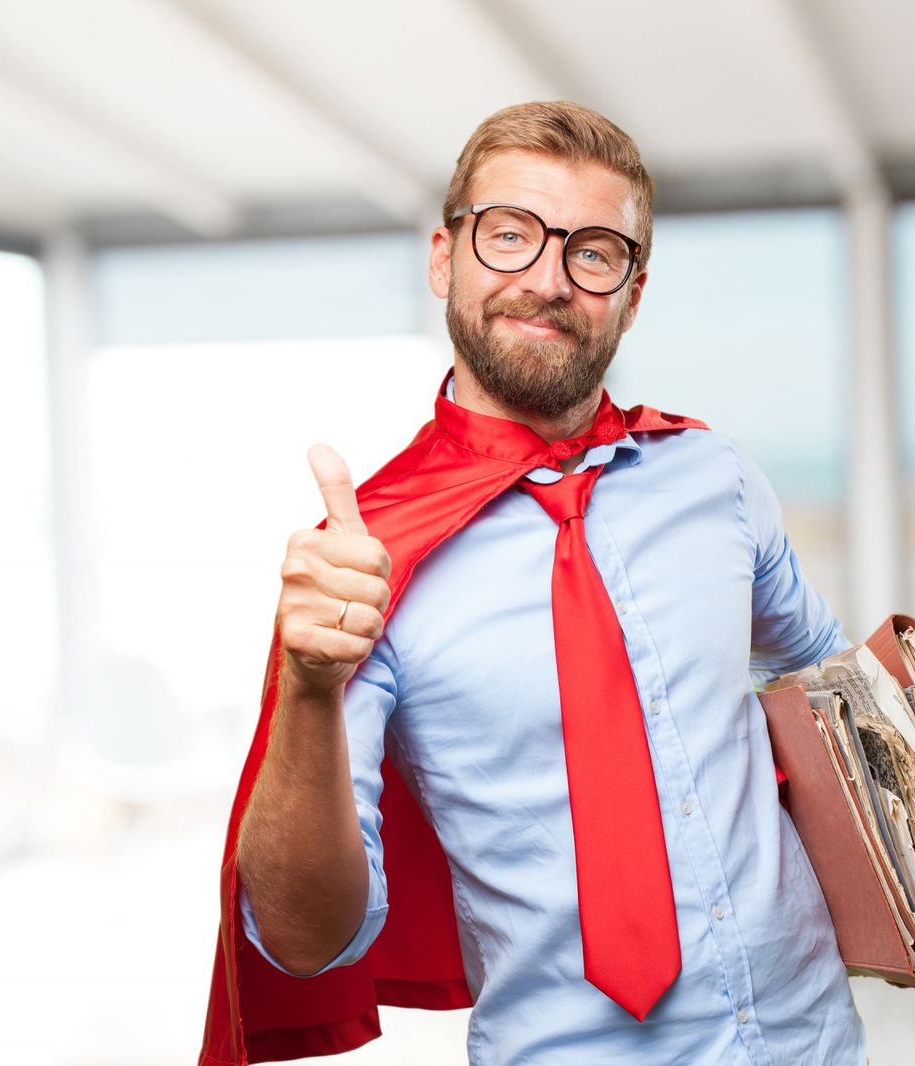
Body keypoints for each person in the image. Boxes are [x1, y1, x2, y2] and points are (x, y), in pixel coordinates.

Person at [201, 101, 868, 1066]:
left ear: (632, 295)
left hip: (816, 1044)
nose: (548, 281)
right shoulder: (362, 561)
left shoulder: (716, 477)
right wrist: (307, 688)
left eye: (594, 252)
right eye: (509, 236)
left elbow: (823, 673)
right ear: (445, 259)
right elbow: (305, 943)